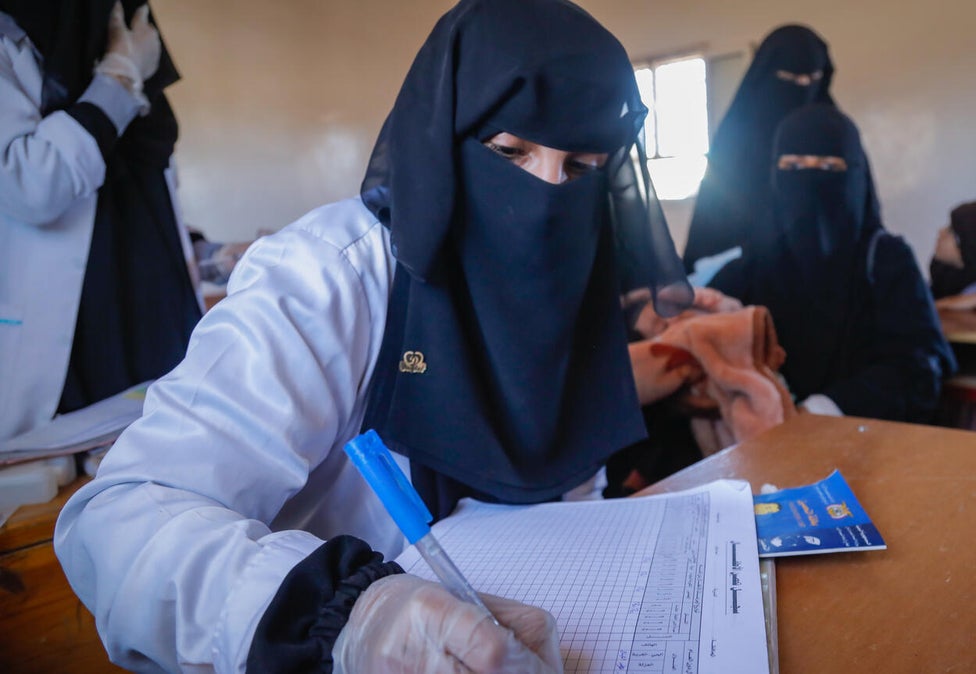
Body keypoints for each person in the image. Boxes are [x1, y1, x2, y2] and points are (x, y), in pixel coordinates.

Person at [54, 0, 695, 671]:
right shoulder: (326, 278)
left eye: (584, 168)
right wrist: (348, 611)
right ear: (441, 136)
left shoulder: (573, 283)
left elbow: (569, 488)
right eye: (510, 151)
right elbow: (119, 520)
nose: (546, 195)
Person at [0, 0, 202, 442]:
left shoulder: (123, 43)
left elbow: (134, 203)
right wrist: (116, 79)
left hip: (151, 322)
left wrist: (203, 251)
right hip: (66, 350)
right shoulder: (10, 46)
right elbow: (31, 186)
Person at [710, 103, 955, 423]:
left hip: (868, 444)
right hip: (763, 448)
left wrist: (826, 407)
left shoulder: (886, 261)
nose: (811, 181)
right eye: (794, 167)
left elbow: (919, 366)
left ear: (857, 176)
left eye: (829, 168)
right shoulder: (752, 265)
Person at [683, 24, 835, 272]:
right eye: (790, 79)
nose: (803, 87)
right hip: (743, 279)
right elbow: (713, 223)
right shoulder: (737, 138)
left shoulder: (834, 133)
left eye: (812, 79)